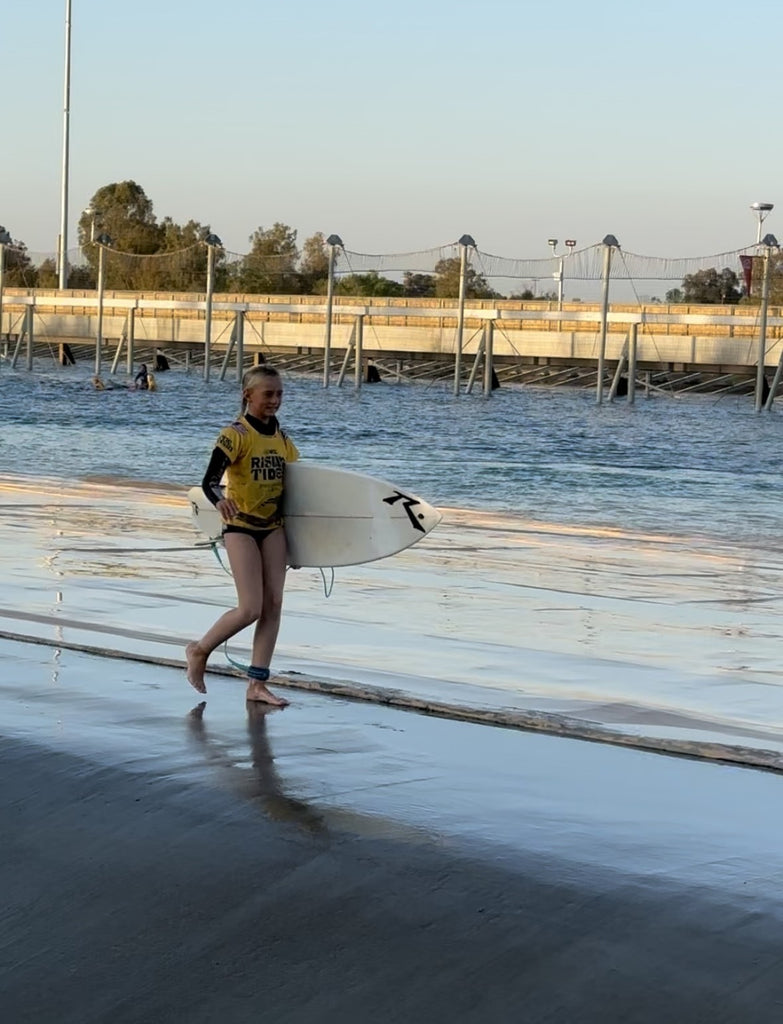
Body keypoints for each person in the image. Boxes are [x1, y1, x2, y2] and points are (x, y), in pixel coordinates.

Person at [186, 365, 298, 706]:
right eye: (268, 394)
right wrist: (221, 501)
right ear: (248, 395)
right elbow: (209, 481)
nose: (275, 400)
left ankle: (257, 685)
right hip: (241, 528)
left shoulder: (282, 440)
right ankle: (199, 650)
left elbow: (299, 490)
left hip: (273, 527)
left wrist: (309, 546)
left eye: (279, 394)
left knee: (274, 606)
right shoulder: (235, 435)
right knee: (251, 608)